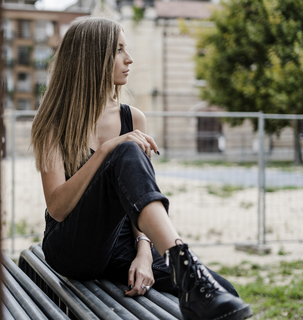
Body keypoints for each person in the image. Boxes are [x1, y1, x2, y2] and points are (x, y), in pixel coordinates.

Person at [30, 17, 253, 320]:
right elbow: (57, 207)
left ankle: (186, 270)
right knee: (124, 149)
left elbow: (139, 195)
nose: (129, 58)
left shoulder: (133, 118)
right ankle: (186, 267)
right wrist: (108, 149)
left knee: (224, 294)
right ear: (93, 58)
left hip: (124, 246)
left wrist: (145, 254)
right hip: (72, 246)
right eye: (118, 49)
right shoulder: (53, 123)